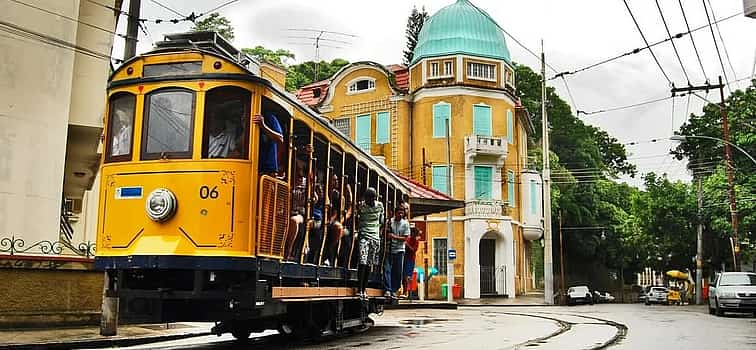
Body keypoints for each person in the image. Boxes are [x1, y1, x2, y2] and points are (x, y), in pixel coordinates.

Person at [356, 187, 384, 299]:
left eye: (371, 198)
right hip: (364, 236)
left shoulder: (380, 206)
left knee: (368, 264)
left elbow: (382, 220)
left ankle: (364, 289)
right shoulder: (361, 206)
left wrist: (378, 232)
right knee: (362, 261)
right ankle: (359, 289)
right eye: (367, 198)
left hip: (375, 238)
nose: (369, 200)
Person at [384, 206, 409, 298]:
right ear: (395, 213)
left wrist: (394, 237)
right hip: (389, 249)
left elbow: (406, 238)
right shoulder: (390, 222)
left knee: (397, 271)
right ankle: (388, 289)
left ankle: (394, 289)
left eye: (402, 213)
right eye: (399, 213)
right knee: (387, 269)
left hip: (399, 250)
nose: (400, 214)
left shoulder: (405, 224)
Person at [402, 227, 419, 298]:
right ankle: (405, 291)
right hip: (404, 258)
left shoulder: (416, 241)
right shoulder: (408, 239)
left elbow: (413, 250)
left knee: (408, 276)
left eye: (413, 233)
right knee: (403, 276)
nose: (412, 235)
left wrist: (407, 245)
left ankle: (407, 292)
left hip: (410, 260)